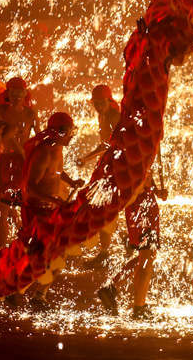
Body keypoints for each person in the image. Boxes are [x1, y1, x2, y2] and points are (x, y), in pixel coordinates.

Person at [20, 112, 84, 307]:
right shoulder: (44, 152)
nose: (72, 136)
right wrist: (56, 202)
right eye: (70, 132)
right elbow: (31, 187)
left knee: (57, 254)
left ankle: (37, 294)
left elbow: (55, 171)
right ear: (59, 132)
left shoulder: (57, 149)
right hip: (38, 211)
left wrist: (71, 181)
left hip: (50, 209)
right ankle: (19, 291)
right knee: (44, 255)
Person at [96, 170, 168, 319]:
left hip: (146, 204)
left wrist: (156, 190)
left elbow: (146, 176)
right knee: (147, 257)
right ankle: (138, 308)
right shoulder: (134, 149)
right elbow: (133, 180)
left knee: (148, 255)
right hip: (140, 208)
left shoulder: (146, 149)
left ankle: (111, 288)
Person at [0, 77, 38, 249]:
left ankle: (24, 239)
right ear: (8, 94)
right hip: (6, 162)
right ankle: (2, 248)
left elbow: (38, 138)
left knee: (20, 206)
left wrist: (34, 157)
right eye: (13, 92)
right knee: (4, 209)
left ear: (25, 93)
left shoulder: (31, 114)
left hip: (23, 163)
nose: (17, 95)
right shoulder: (0, 111)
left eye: (20, 92)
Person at [80, 84, 122, 268]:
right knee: (103, 205)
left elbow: (109, 144)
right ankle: (114, 247)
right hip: (108, 165)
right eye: (95, 103)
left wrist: (87, 158)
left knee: (104, 206)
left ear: (109, 101)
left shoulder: (114, 117)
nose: (97, 106)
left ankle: (106, 253)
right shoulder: (103, 115)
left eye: (100, 102)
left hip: (115, 166)